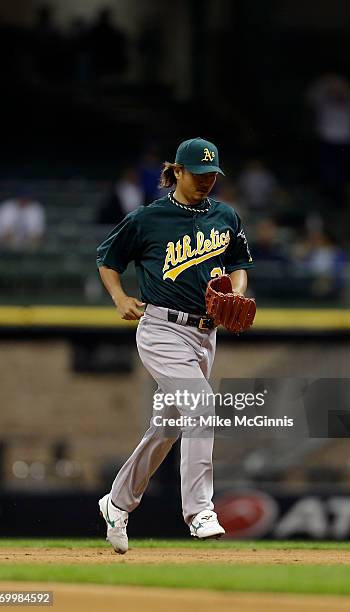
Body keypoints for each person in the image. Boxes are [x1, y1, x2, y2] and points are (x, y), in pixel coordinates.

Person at [96, 137, 254, 553]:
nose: (206, 182)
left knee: (167, 428)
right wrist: (119, 297)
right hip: (162, 330)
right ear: (177, 172)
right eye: (199, 175)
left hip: (206, 334)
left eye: (212, 176)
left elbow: (239, 264)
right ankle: (200, 511)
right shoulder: (149, 218)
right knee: (201, 404)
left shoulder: (225, 215)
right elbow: (108, 258)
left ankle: (116, 503)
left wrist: (236, 294)